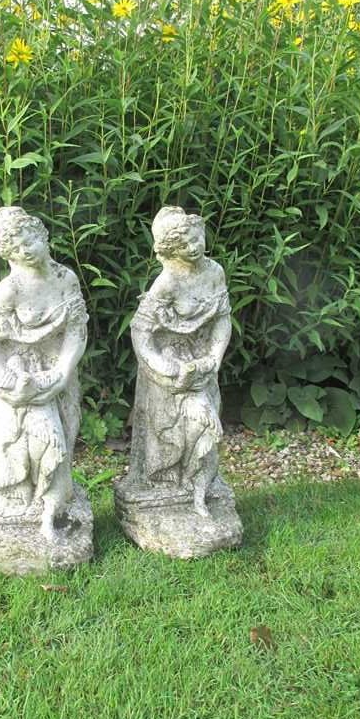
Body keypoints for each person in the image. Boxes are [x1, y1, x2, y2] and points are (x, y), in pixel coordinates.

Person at [0, 207, 88, 540]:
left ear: (43, 236)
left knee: (63, 437)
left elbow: (76, 330)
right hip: (20, 377)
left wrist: (63, 372)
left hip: (59, 372)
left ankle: (56, 502)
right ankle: (25, 500)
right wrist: (5, 384)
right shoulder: (9, 289)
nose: (25, 251)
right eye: (16, 248)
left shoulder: (65, 279)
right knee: (28, 441)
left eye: (29, 242)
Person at [129, 206, 232, 516]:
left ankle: (198, 487)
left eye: (197, 238)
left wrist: (214, 357)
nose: (194, 246)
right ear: (171, 249)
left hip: (202, 362)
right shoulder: (168, 282)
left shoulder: (214, 272)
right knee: (170, 434)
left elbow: (223, 319)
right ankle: (167, 489)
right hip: (169, 366)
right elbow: (140, 330)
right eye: (184, 244)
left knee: (205, 428)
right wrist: (161, 367)